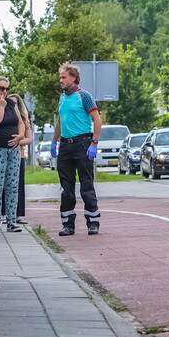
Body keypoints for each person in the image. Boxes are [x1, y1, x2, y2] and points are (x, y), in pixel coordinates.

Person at [52, 63, 102, 236]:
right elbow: (60, 120)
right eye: (60, 77)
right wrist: (54, 141)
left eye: (64, 77)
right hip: (65, 145)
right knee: (66, 187)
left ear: (73, 77)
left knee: (86, 185)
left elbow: (97, 119)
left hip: (83, 143)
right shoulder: (62, 98)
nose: (61, 80)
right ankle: (68, 224)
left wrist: (94, 143)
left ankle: (93, 222)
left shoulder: (84, 96)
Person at [0, 76, 24, 233]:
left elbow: (21, 122)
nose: (5, 91)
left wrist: (20, 136)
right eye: (2, 88)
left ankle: (11, 221)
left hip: (14, 149)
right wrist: (1, 105)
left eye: (7, 89)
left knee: (12, 185)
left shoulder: (12, 103)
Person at [11, 93, 31, 225]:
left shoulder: (23, 120)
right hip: (6, 153)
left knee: (19, 185)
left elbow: (29, 138)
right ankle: (4, 213)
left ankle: (19, 214)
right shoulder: (6, 117)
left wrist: (19, 141)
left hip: (20, 154)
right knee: (7, 185)